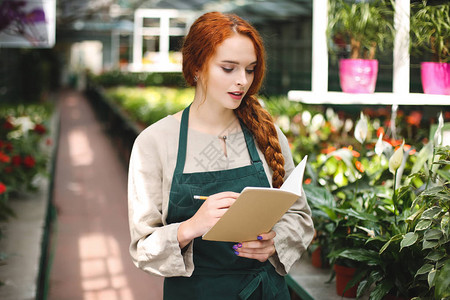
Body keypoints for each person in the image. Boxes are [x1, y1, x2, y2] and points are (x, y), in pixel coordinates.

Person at [127, 11, 314, 300]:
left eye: (250, 69)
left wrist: (275, 244)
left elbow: (300, 215)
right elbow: (143, 248)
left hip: (267, 291)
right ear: (197, 67)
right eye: (228, 68)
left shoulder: (267, 133)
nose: (242, 80)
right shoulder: (154, 142)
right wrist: (190, 227)